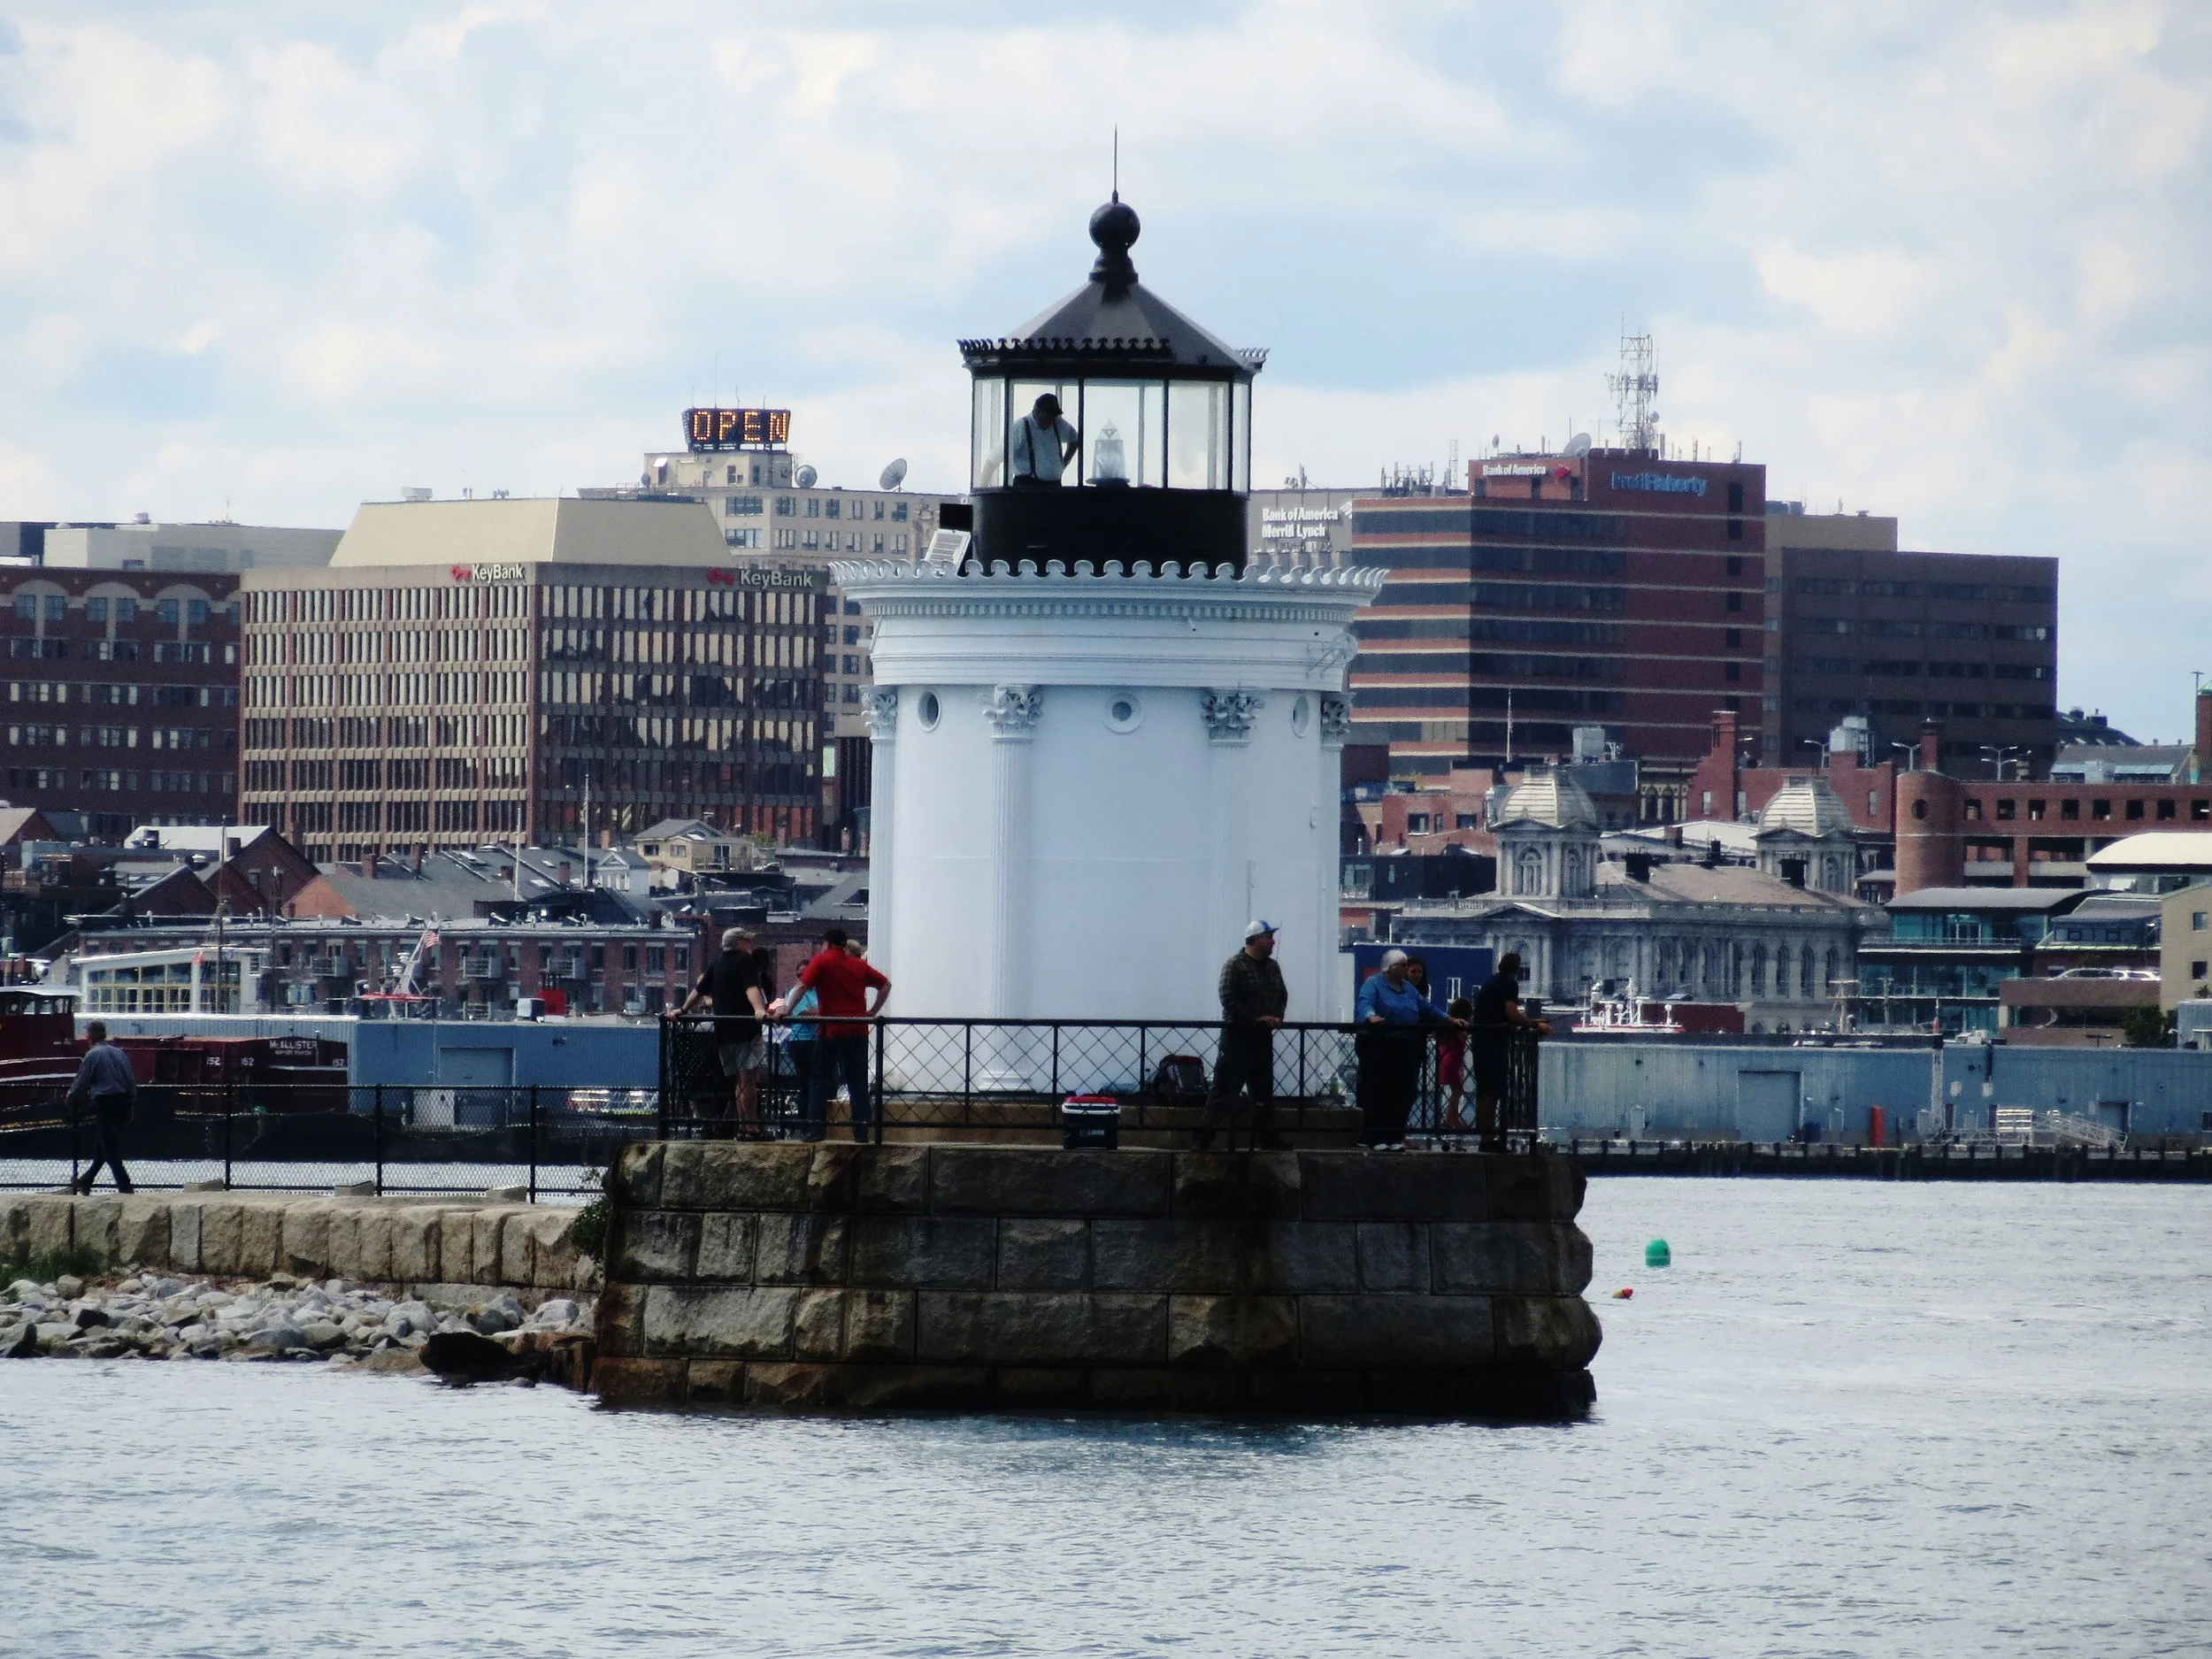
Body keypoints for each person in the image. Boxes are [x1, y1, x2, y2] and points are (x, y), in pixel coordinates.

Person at [771, 926, 890, 1142]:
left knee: (818, 1079)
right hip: (858, 1029)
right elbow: (885, 985)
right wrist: (872, 1012)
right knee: (858, 1082)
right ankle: (861, 1132)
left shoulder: (822, 961)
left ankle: (816, 1130)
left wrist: (787, 1010)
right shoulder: (858, 965)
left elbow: (801, 987)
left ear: (827, 944)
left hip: (830, 1030)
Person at [1197, 919, 1290, 1152]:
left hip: (1262, 1037)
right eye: (1269, 937)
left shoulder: (1272, 966)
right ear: (1257, 939)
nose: (1273, 941)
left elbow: (1282, 995)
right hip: (1237, 1036)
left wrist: (1277, 1016)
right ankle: (1203, 1139)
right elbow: (1228, 998)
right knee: (1224, 1087)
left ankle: (1266, 1137)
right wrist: (1255, 1019)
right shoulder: (1234, 965)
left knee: (1263, 1089)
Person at [1353, 949, 1457, 1150]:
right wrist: (1370, 1016)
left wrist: (1449, 1019)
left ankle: (1393, 1136)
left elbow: (1427, 1008)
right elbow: (1365, 1003)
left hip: (1405, 1045)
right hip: (1380, 1045)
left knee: (1404, 1091)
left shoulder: (1408, 989)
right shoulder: (1374, 984)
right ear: (1390, 967)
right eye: (1402, 965)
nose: (1405, 968)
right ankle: (1376, 1136)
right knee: (1380, 1090)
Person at [677, 927, 770, 1138]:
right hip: (745, 1029)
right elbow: (751, 988)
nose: (750, 945)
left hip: (724, 1031)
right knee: (749, 1081)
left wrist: (682, 1010)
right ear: (739, 942)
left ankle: (744, 1126)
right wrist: (759, 1010)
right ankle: (751, 1127)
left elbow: (699, 990)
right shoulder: (744, 961)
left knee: (740, 1081)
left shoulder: (716, 964)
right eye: (747, 941)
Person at [1470, 951, 1550, 1152]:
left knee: (1484, 1090)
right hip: (1492, 1043)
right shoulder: (1509, 984)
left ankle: (1486, 1138)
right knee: (1493, 1090)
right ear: (1517, 968)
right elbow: (1512, 1015)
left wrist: (1531, 1022)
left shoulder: (1492, 982)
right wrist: (1535, 1025)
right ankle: (1489, 1138)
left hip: (1480, 1040)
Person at [65, 1021, 137, 1194]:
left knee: (109, 1147)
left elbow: (82, 1082)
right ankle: (87, 1180)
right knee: (104, 1145)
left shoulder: (92, 1055)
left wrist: (70, 1096)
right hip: (123, 1101)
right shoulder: (119, 1053)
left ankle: (125, 1186)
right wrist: (132, 1104)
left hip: (105, 1103)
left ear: (89, 1037)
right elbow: (130, 1080)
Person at [1010, 393, 1079, 486]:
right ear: (1037, 412)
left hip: (1054, 487)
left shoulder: (1057, 423)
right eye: (1048, 416)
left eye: (1054, 416)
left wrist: (1064, 463)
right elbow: (995, 458)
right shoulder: (1020, 426)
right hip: (1027, 487)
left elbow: (1074, 439)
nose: (1052, 420)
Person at [1437, 996, 1473, 1133]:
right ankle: (1451, 1119)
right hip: (1453, 1061)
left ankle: (1452, 1118)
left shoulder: (1448, 1025)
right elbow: (1462, 1038)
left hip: (1446, 1059)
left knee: (1456, 1091)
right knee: (1457, 1091)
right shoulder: (1458, 1026)